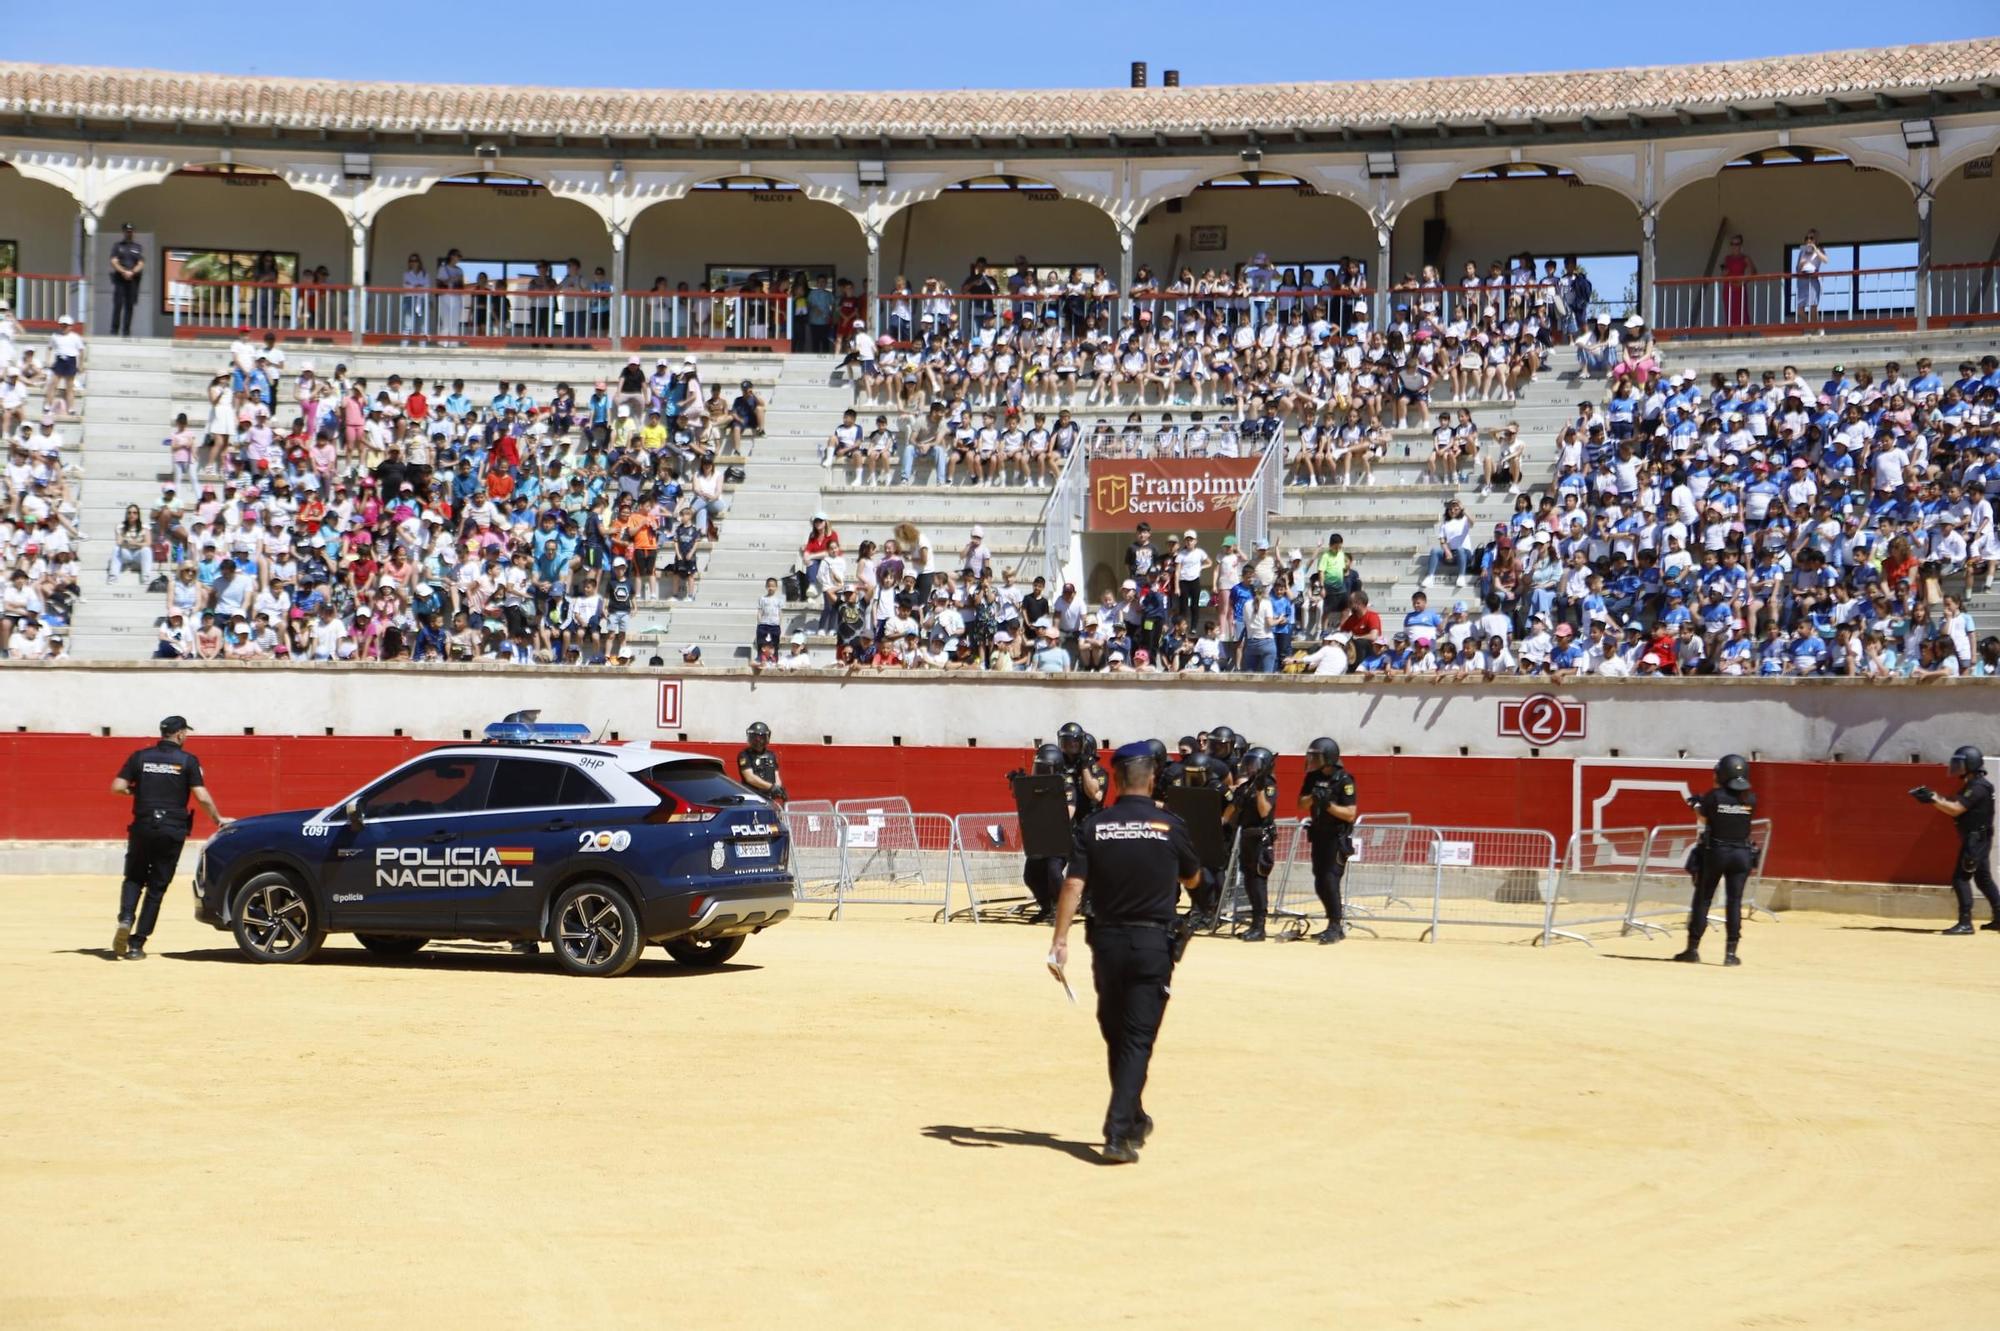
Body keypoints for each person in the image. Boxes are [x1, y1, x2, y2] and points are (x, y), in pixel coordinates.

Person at [1048, 742, 1200, 1164]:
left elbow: (1073, 885)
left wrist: (1059, 940)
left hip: (1107, 942)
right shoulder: (1170, 826)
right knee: (1135, 1038)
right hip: (1152, 943)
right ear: (1152, 779)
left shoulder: (1096, 826)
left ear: (1115, 779)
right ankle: (1118, 1133)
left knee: (1116, 1031)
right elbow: (1194, 879)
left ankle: (1132, 1117)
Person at [109, 715, 228, 959]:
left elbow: (117, 786)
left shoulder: (140, 757)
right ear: (180, 734)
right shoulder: (187, 761)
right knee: (156, 887)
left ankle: (126, 918)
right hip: (172, 829)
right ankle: (136, 944)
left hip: (143, 826)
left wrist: (137, 790)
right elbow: (202, 797)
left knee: (134, 877)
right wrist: (218, 819)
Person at [1674, 754, 1758, 967]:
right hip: (1742, 853)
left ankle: (1692, 949)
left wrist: (1695, 804)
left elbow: (1703, 817)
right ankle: (1730, 954)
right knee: (1735, 902)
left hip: (1717, 852)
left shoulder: (1715, 796)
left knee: (1703, 899)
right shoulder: (1750, 798)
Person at [1913, 746, 1997, 936]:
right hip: (1979, 838)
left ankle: (1965, 923)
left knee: (1960, 879)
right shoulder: (1977, 785)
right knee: (1983, 879)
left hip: (1975, 840)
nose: (1957, 767)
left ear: (1971, 764)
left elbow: (1956, 809)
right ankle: (1999, 918)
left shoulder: (1977, 787)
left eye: (1961, 764)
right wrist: (1934, 799)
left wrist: (1933, 798)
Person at [1298, 736, 1357, 944]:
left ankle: (1335, 925)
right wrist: (1314, 797)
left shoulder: (1344, 780)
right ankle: (1331, 923)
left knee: (1331, 880)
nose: (1312, 760)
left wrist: (1328, 805)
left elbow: (1350, 813)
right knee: (1320, 881)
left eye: (1317, 757)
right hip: (1318, 836)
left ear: (1329, 758)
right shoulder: (1312, 777)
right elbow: (1302, 804)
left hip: (1336, 838)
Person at [1223, 746, 1278, 941]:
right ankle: (1254, 924)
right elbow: (1230, 811)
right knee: (1248, 881)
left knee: (1258, 881)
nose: (1250, 767)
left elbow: (1264, 812)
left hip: (1260, 838)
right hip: (1245, 837)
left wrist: (1261, 788)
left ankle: (1259, 927)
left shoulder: (1268, 785)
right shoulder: (1246, 787)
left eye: (1255, 763)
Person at [735, 721, 786, 807]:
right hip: (752, 798)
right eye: (755, 737)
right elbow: (749, 778)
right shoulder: (744, 755)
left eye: (761, 737)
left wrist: (778, 789)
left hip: (769, 798)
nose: (758, 740)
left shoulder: (771, 755)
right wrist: (771, 787)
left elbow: (776, 775)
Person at [108, 223, 145, 337]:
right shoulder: (117, 246)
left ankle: (126, 331)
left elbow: (141, 263)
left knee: (129, 305)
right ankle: (114, 330)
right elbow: (113, 261)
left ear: (133, 232)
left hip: (132, 280)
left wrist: (132, 272)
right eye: (127, 231)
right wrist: (123, 271)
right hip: (120, 279)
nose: (129, 233)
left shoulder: (137, 247)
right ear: (123, 232)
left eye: (131, 231)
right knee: (118, 304)